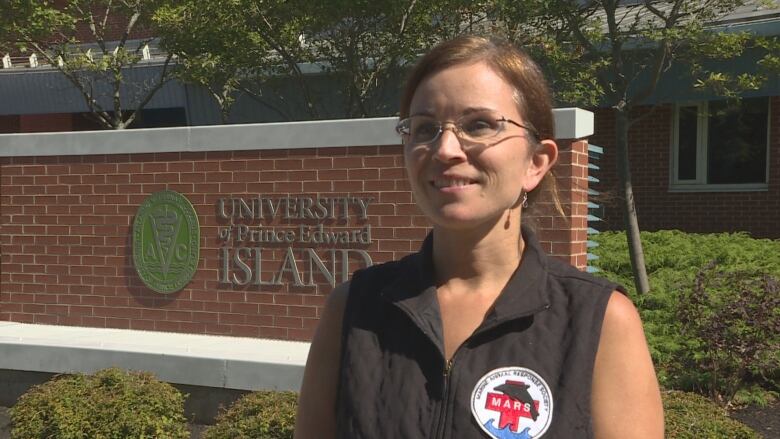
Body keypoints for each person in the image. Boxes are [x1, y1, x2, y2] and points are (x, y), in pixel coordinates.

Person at [295, 35, 663, 439]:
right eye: (424, 128)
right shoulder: (354, 309)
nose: (445, 148)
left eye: (480, 125)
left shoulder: (599, 319)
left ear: (536, 163)